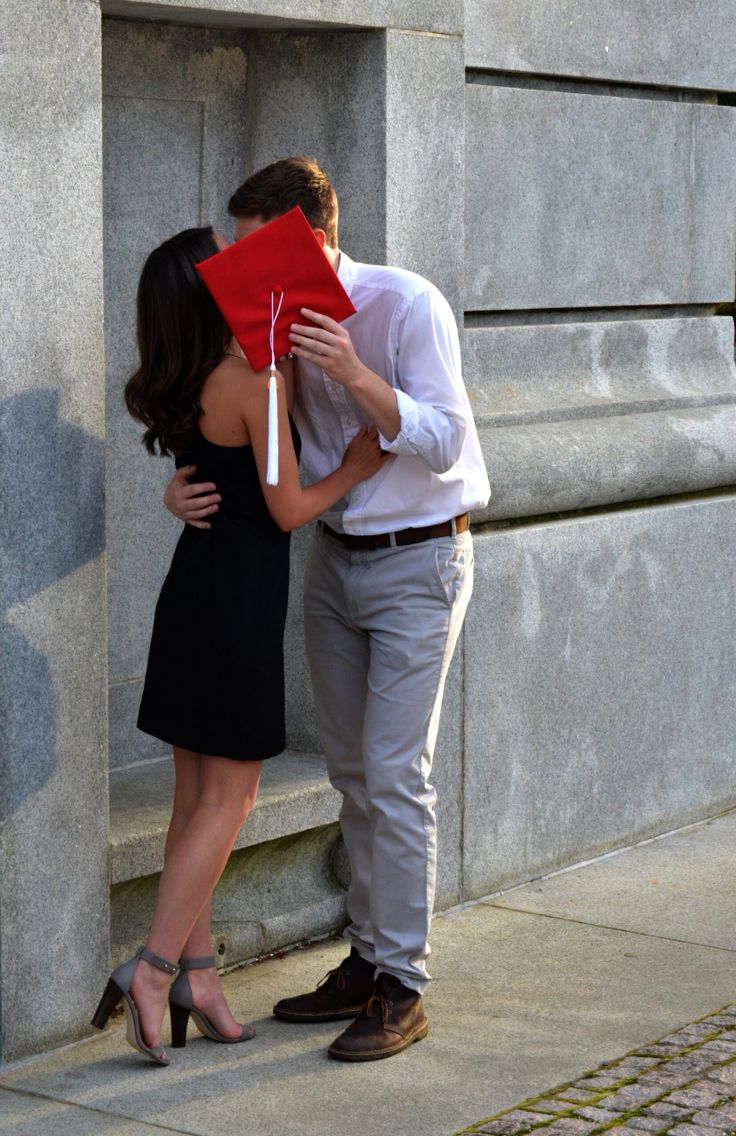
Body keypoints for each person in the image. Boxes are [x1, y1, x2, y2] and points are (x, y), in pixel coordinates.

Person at [165, 157, 491, 1062]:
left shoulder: (403, 303)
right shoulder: (263, 323)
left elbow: (447, 437)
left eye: (248, 243)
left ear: (304, 237)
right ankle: (367, 958)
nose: (232, 260)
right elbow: (236, 434)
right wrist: (179, 490)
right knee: (352, 771)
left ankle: (404, 985)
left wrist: (352, 372)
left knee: (395, 774)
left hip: (422, 556)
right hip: (334, 562)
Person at [92, 225, 386, 1066]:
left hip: (194, 594)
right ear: (204, 291)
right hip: (235, 608)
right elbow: (290, 509)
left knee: (195, 801)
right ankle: (151, 971)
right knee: (230, 802)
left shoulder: (180, 379)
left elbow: (208, 481)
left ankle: (199, 973)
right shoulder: (253, 380)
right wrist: (359, 465)